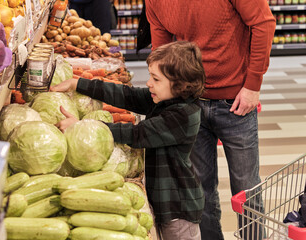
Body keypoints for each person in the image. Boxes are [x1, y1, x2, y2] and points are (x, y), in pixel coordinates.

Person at [144, 1, 276, 239]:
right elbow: (162, 50)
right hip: (190, 103)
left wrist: (252, 85)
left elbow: (264, 24)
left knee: (246, 189)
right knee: (199, 190)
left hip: (235, 101)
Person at [51, 41, 206, 240]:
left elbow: (137, 134)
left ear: (180, 85)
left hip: (178, 206)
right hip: (164, 198)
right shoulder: (168, 100)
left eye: (156, 79)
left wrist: (81, 128)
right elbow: (127, 95)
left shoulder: (185, 115)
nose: (149, 83)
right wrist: (78, 83)